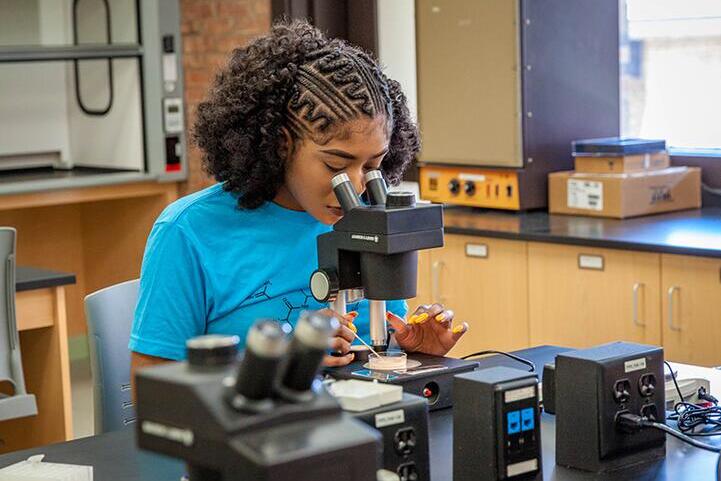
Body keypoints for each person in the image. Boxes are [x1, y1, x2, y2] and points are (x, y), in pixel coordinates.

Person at [129, 19, 468, 380]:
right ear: (281, 144)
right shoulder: (189, 233)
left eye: (373, 164)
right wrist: (276, 364)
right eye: (336, 165)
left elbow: (381, 351)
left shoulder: (370, 220)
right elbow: (151, 388)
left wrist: (416, 352)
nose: (355, 188)